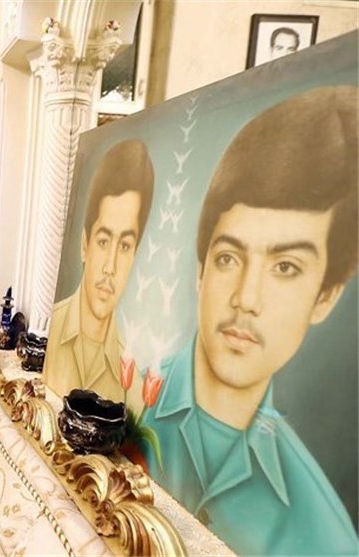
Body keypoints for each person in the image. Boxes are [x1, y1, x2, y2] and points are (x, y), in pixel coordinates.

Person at [140, 86, 358, 555]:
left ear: (325, 297)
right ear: (200, 271)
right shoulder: (123, 394)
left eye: (286, 267)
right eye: (228, 257)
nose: (246, 298)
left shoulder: (323, 536)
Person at [43, 139, 154, 403]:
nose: (110, 267)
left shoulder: (133, 389)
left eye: (125, 246)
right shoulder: (53, 330)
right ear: (85, 245)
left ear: (135, 256)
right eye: (103, 241)